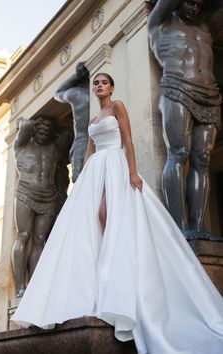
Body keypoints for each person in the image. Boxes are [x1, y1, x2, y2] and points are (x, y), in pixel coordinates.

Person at [12, 74, 223, 354]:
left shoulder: (118, 107)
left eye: (103, 83)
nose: (98, 86)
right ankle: (98, 280)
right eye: (96, 83)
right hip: (97, 169)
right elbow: (89, 152)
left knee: (109, 213)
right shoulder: (92, 120)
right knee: (93, 218)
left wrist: (133, 172)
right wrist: (82, 183)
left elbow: (128, 142)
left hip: (115, 165)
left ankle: (116, 271)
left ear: (112, 87)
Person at [147, 0, 223, 240]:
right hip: (177, 89)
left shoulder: (206, 28)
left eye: (199, 3)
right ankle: (180, 227)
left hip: (210, 94)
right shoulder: (160, 24)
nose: (195, 7)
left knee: (202, 160)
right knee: (179, 153)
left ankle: (199, 228)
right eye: (189, 1)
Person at [13, 116, 72, 297]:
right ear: (34, 130)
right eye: (40, 129)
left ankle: (35, 283)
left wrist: (52, 129)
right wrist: (26, 124)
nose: (43, 133)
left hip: (49, 196)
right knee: (23, 235)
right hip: (25, 192)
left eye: (48, 130)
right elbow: (24, 124)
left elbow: (68, 133)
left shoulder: (54, 148)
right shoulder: (21, 145)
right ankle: (19, 285)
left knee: (40, 239)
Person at [55, 62, 90, 182]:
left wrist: (76, 76)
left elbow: (58, 93)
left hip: (82, 143)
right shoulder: (102, 95)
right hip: (100, 142)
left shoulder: (77, 94)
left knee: (81, 186)